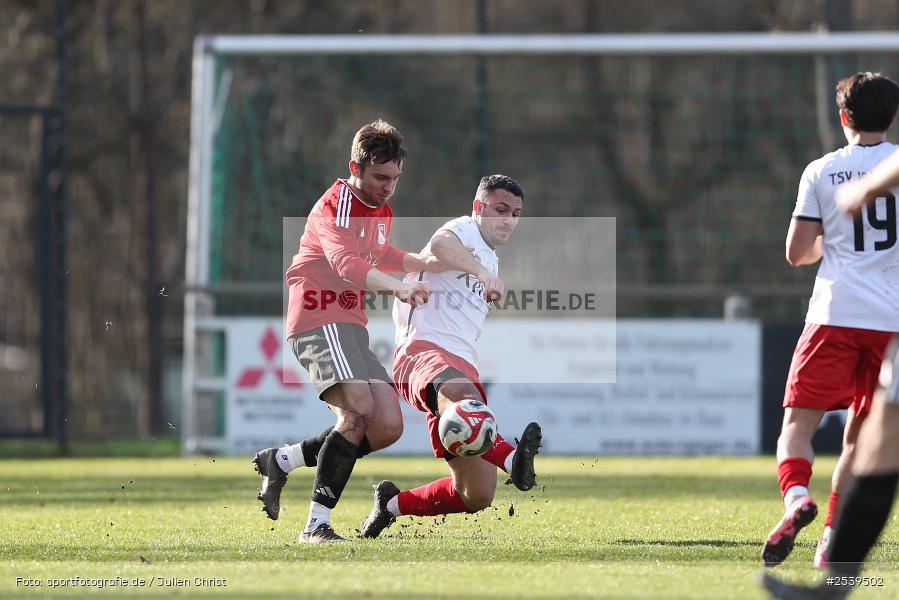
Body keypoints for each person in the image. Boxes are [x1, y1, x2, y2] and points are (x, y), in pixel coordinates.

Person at [252, 120, 441, 543]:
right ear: (354, 166)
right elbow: (346, 264)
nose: (388, 186)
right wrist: (399, 287)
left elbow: (376, 252)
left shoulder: (381, 210)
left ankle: (282, 460)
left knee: (387, 424)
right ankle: (316, 524)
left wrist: (418, 262)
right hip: (318, 318)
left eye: (394, 178)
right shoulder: (337, 204)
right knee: (356, 412)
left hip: (349, 323)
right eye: (379, 177)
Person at [762, 72, 899, 569]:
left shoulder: (822, 171)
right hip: (892, 325)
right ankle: (831, 542)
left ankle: (797, 497)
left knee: (796, 428)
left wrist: (834, 244)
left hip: (835, 315)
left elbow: (797, 254)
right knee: (861, 441)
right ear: (892, 116)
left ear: (843, 116)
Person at [358, 174, 543, 539]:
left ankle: (390, 504)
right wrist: (480, 272)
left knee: (476, 495)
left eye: (516, 213)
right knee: (463, 396)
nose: (508, 220)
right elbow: (442, 245)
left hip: (460, 366)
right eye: (500, 209)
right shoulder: (464, 231)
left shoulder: (491, 259)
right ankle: (512, 461)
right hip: (421, 353)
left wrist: (486, 274)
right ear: (478, 207)